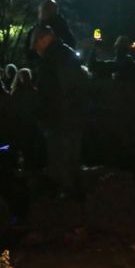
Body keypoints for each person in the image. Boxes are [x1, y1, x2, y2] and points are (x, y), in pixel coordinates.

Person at [30, 25, 88, 196]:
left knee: (61, 168)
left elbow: (53, 94)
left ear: (44, 39)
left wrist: (44, 117)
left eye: (36, 44)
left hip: (59, 123)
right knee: (72, 163)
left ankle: (67, 207)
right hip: (72, 119)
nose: (36, 49)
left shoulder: (52, 60)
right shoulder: (67, 55)